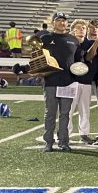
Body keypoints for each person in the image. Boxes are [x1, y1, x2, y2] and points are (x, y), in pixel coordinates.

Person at [39, 12, 80, 152]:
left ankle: (63, 141)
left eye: (64, 21)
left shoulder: (74, 40)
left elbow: (79, 61)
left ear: (67, 23)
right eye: (58, 20)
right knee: (50, 113)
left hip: (68, 82)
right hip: (50, 81)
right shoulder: (45, 38)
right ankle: (48, 142)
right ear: (53, 23)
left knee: (65, 114)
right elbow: (38, 59)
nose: (62, 23)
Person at [67, 19, 97, 143]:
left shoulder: (89, 43)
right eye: (78, 28)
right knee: (68, 110)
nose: (81, 30)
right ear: (73, 30)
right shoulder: (68, 43)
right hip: (71, 81)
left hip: (86, 81)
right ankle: (65, 133)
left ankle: (84, 134)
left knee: (85, 110)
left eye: (83, 28)